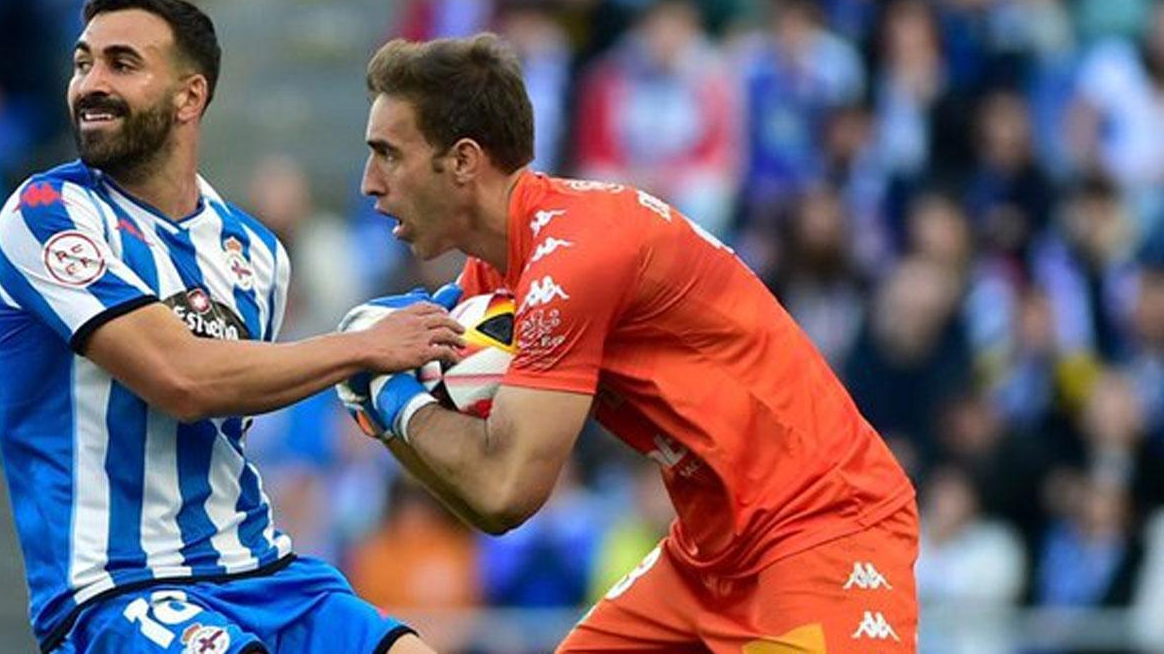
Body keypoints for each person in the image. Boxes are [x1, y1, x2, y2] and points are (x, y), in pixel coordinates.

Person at [343, 33, 919, 652]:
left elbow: (503, 493)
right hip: (709, 555)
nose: (369, 183)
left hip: (822, 528)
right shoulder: (498, 274)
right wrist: (374, 397)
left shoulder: (573, 261)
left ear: (462, 161)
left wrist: (390, 401)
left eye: (388, 155)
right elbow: (468, 483)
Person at [0, 0, 462, 654]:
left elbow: (236, 404)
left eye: (122, 64)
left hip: (264, 571)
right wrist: (360, 348)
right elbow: (184, 379)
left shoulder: (257, 254)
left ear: (190, 96)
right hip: (122, 589)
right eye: (82, 63)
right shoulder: (47, 213)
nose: (91, 84)